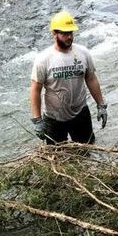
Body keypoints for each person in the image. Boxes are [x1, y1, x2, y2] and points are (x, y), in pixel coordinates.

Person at [29, 10, 107, 145]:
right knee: (57, 157)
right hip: (54, 118)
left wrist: (101, 105)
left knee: (87, 150)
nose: (69, 37)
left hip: (80, 113)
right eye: (65, 33)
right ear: (54, 34)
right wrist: (37, 120)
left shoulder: (83, 53)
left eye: (71, 33)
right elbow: (35, 90)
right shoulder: (43, 59)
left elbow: (91, 79)